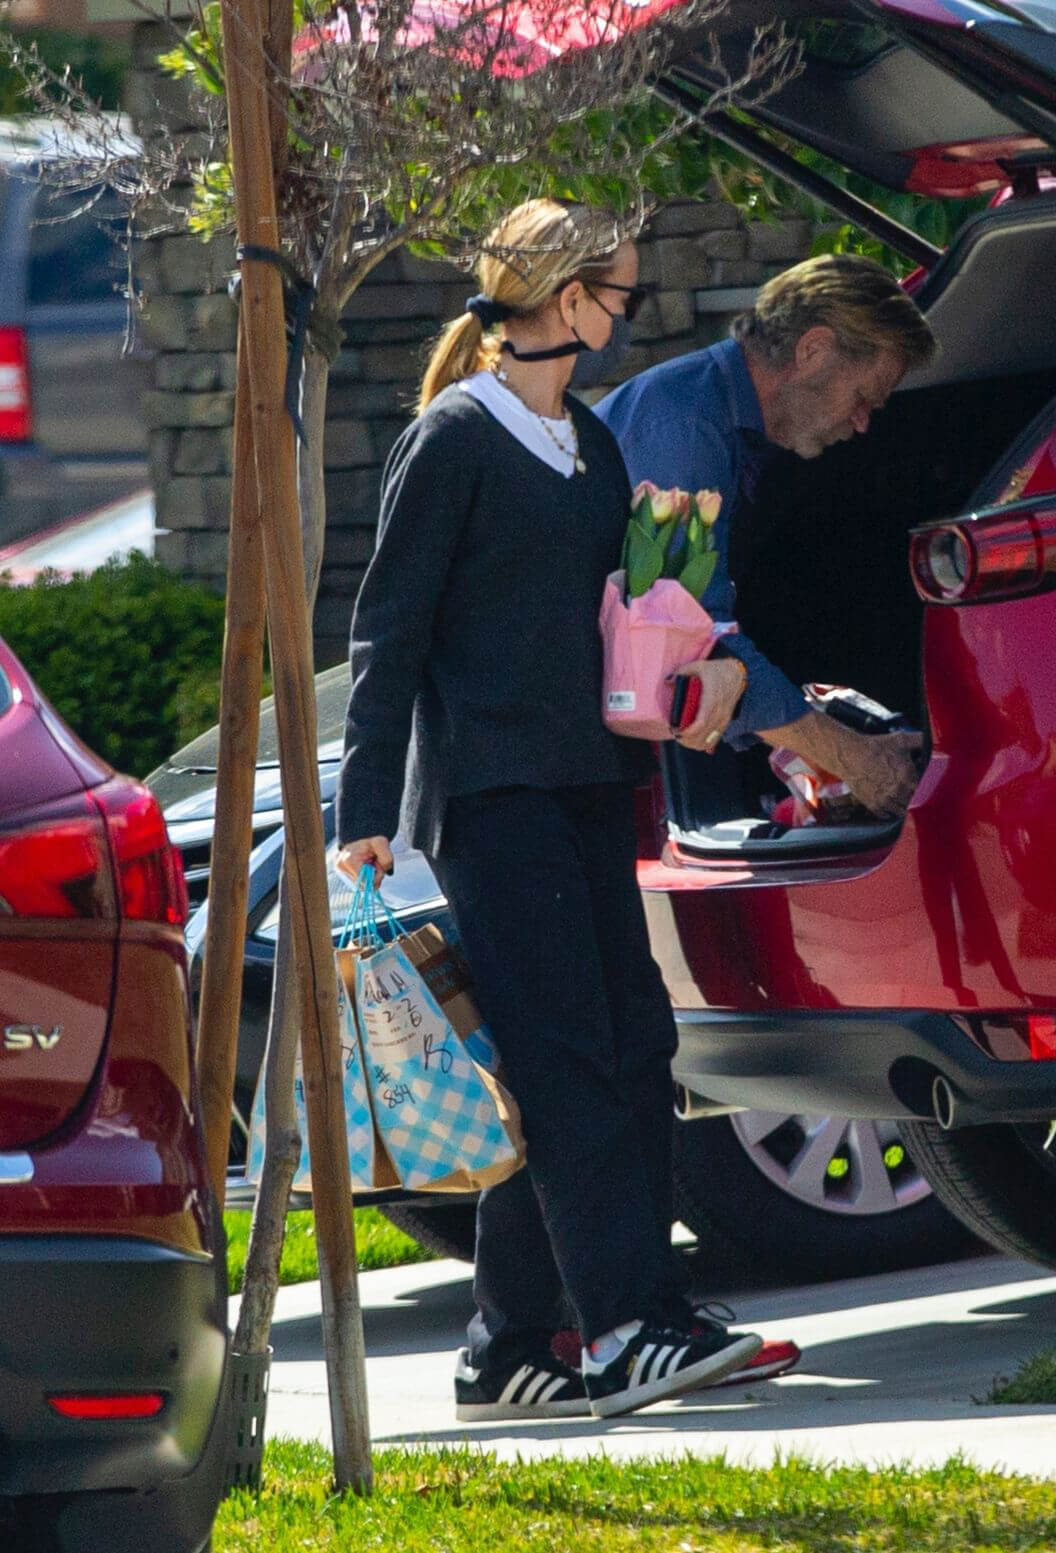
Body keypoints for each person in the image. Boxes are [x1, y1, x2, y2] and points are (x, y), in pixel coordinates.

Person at [334, 198, 763, 1424]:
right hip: (490, 791)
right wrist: (368, 806)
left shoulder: (591, 444)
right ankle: (624, 1325)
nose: (625, 316)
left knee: (632, 1044)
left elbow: (619, 606)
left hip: (590, 779)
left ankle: (506, 1344)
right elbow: (388, 630)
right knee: (570, 1055)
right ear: (566, 300)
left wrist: (690, 660)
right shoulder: (454, 438)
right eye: (616, 295)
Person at [595, 253, 936, 813]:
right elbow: (687, 642)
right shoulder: (686, 430)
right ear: (813, 351)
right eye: (862, 399)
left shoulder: (718, 416)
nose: (863, 423)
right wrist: (853, 757)